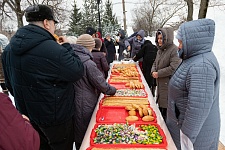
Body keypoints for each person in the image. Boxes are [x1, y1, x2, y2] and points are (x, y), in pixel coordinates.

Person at [2, 4, 84, 150]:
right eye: (53, 23)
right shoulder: (55, 50)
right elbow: (77, 71)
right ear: (46, 23)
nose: (54, 27)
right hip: (56, 118)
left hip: (28, 116)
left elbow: (10, 84)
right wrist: (66, 46)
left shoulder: (9, 50)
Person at [167, 19, 220, 150]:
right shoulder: (192, 58)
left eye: (180, 42)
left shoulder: (202, 65)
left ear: (192, 42)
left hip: (194, 139)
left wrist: (186, 139)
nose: (178, 46)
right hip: (183, 129)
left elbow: (198, 108)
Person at [69, 34, 117, 150]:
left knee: (78, 131)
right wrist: (113, 90)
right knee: (86, 133)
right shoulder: (88, 63)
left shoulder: (70, 58)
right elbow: (101, 83)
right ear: (89, 46)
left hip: (72, 99)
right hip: (85, 101)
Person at [151, 27, 181, 121]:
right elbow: (155, 63)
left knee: (167, 109)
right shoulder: (160, 50)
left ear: (167, 38)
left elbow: (173, 67)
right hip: (160, 84)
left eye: (161, 38)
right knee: (161, 106)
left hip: (168, 84)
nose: (159, 41)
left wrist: (159, 73)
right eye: (158, 38)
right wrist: (153, 71)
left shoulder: (174, 50)